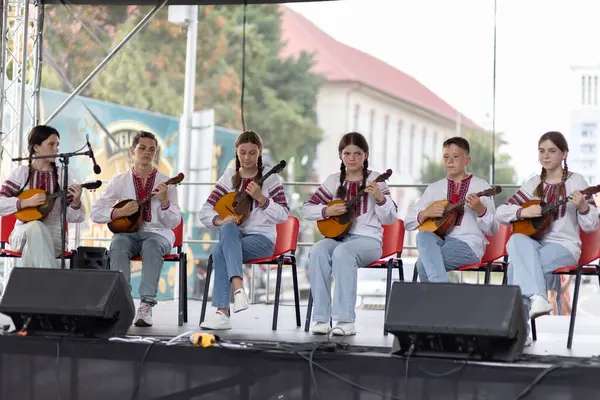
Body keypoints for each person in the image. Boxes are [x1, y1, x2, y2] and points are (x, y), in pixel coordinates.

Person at [496, 131, 598, 342]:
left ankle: (517, 333)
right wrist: (522, 213)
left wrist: (583, 206)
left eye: (552, 150)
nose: (546, 156)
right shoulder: (533, 183)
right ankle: (538, 298)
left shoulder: (577, 181)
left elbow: (591, 225)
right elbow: (501, 212)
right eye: (542, 151)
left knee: (517, 267)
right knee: (515, 240)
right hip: (533, 245)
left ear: (564, 154)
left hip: (565, 247)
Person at [302, 132, 398, 336]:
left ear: (366, 155)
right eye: (347, 153)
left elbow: (390, 218)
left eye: (357, 153)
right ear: (340, 155)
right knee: (318, 250)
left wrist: (380, 197)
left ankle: (345, 320)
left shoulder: (376, 180)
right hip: (339, 238)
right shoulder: (333, 180)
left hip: (369, 241)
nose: (352, 158)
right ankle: (321, 318)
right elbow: (306, 208)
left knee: (343, 253)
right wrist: (326, 211)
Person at [199, 130, 289, 330]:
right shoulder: (229, 176)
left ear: (260, 153)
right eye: (243, 152)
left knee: (218, 250)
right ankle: (238, 290)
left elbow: (283, 214)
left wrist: (261, 199)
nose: (247, 157)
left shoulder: (271, 180)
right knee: (228, 228)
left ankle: (222, 312)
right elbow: (204, 210)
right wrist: (220, 219)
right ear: (237, 153)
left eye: (252, 153)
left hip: (262, 240)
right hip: (234, 237)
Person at [90, 130, 181, 327]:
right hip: (129, 233)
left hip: (159, 234)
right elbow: (95, 212)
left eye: (152, 149)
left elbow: (174, 221)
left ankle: (146, 306)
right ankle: (121, 301)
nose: (147, 152)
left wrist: (165, 202)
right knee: (118, 243)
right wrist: (117, 214)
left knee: (151, 246)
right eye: (142, 148)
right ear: (132, 151)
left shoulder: (166, 182)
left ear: (155, 154)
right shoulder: (119, 181)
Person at [405, 137, 498, 282]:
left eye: (455, 156)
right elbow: (408, 223)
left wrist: (481, 210)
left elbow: (493, 230)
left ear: (467, 160)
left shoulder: (481, 186)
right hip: (440, 243)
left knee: (423, 264)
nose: (450, 161)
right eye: (446, 157)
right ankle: (442, 294)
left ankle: (436, 299)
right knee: (422, 236)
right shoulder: (434, 189)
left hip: (468, 246)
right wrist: (425, 214)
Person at [0, 125, 85, 268]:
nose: (57, 149)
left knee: (31, 251)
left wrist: (76, 202)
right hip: (22, 234)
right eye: (51, 144)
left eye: (58, 145)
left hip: (55, 237)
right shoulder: (22, 173)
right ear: (36, 147)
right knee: (35, 226)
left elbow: (77, 218)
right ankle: (53, 284)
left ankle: (35, 288)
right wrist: (24, 203)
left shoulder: (63, 175)